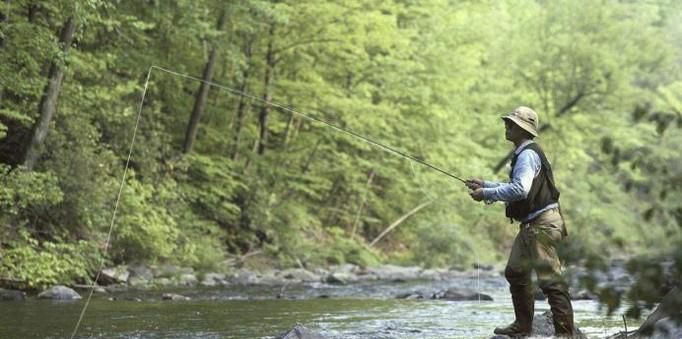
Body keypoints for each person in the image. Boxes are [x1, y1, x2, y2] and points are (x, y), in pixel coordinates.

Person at [466, 106, 576, 337]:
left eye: (511, 124)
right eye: (508, 122)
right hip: (532, 226)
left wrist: (486, 194)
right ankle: (523, 327)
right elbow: (517, 185)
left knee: (551, 281)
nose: (507, 126)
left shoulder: (526, 155)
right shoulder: (525, 153)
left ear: (523, 130)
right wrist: (485, 184)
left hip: (543, 226)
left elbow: (520, 189)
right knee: (515, 272)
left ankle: (565, 335)